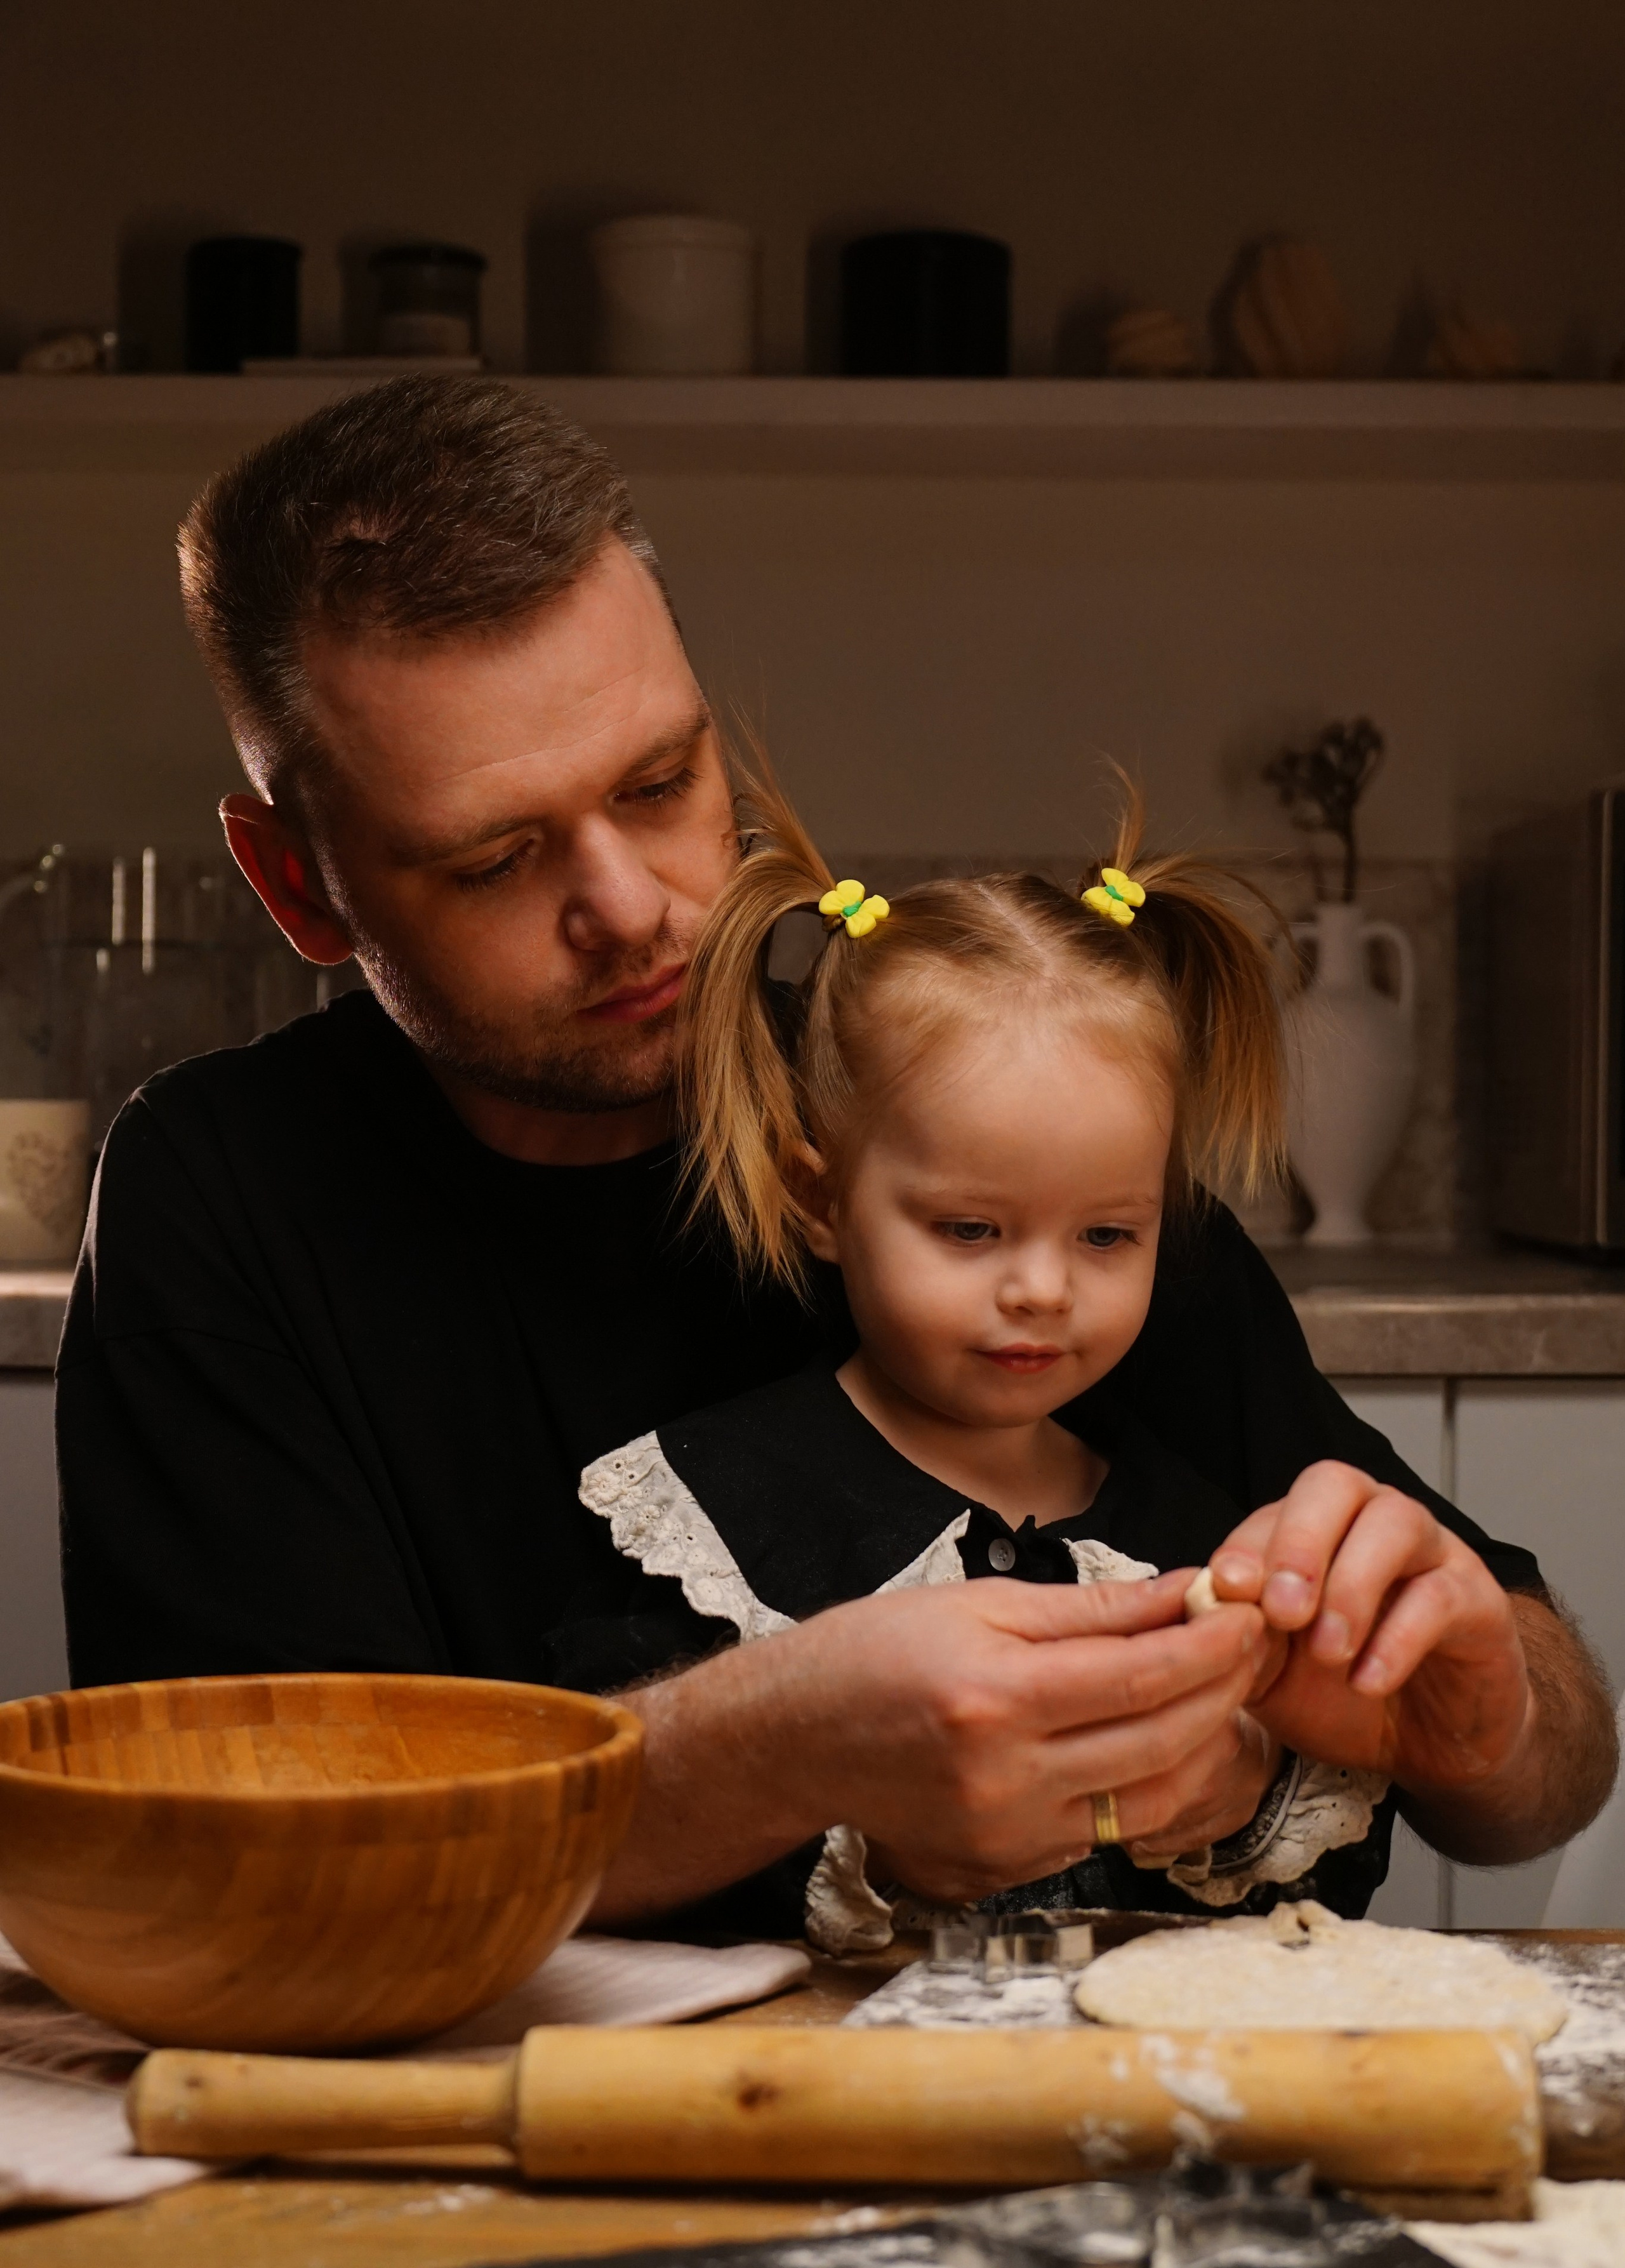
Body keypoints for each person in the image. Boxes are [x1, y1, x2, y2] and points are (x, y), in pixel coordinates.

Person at [55, 375, 1615, 1940]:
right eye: (495, 858)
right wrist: (768, 1749)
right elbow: (243, 1880)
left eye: (661, 784)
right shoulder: (224, 1198)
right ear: (297, 880)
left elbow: (1546, 1771)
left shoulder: (968, 1126)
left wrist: (1469, 1707)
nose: (634, 907)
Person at [575, 779, 1402, 1947]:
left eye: (1108, 1235)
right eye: (971, 1231)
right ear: (819, 1201)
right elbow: (629, 1871)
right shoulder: (713, 1512)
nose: (1043, 1290)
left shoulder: (1198, 1525)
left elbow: (1336, 1878)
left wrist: (1247, 1786)